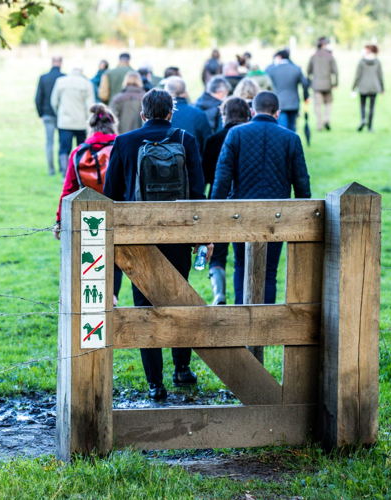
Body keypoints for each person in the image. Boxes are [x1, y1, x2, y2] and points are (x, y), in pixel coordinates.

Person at [103, 89, 209, 401]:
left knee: (145, 308)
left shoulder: (124, 142)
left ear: (143, 112)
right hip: (177, 234)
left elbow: (110, 193)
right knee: (180, 300)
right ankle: (182, 368)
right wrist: (200, 235)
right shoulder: (185, 140)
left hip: (139, 239)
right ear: (171, 112)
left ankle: (155, 383)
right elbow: (198, 190)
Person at [211, 91, 311, 305]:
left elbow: (222, 177)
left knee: (241, 265)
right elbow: (301, 180)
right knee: (269, 271)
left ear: (253, 111)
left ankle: (241, 320)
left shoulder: (236, 134)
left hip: (240, 211)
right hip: (276, 214)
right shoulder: (291, 138)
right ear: (277, 113)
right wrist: (303, 212)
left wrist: (215, 210)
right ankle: (265, 325)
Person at [54, 103, 122, 303]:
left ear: (91, 127)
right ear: (113, 125)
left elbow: (69, 189)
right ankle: (113, 295)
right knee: (118, 257)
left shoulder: (79, 152)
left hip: (89, 213)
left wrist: (59, 220)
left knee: (93, 255)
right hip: (120, 210)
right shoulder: (122, 146)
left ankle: (96, 297)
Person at [201, 97, 251, 305]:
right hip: (245, 198)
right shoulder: (250, 138)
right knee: (244, 256)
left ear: (224, 116)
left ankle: (219, 292)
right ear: (248, 115)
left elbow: (204, 176)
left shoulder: (214, 140)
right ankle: (244, 298)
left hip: (218, 198)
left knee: (218, 253)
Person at [50, 65, 94, 175]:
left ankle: (65, 173)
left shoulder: (60, 82)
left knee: (64, 149)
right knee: (81, 149)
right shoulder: (87, 84)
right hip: (81, 123)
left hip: (64, 122)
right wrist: (89, 121)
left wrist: (59, 114)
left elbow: (54, 102)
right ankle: (80, 172)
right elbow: (90, 105)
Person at [164, 76, 212, 155]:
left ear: (166, 92)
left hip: (164, 163)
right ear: (185, 93)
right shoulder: (199, 114)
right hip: (192, 162)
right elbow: (208, 144)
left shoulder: (159, 113)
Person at [34, 56, 65, 175]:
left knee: (49, 143)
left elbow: (38, 97)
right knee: (62, 143)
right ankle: (63, 168)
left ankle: (51, 169)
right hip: (61, 115)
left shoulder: (43, 78)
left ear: (52, 62)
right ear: (61, 63)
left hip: (47, 114)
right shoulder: (64, 78)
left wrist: (40, 113)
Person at [266, 49, 309, 132]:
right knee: (292, 127)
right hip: (294, 103)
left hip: (279, 103)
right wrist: (305, 96)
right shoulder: (296, 68)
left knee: (282, 129)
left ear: (279, 57)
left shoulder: (271, 69)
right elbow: (305, 84)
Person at [307, 36, 339, 131]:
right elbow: (336, 71)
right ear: (325, 45)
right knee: (328, 104)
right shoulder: (330, 56)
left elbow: (308, 71)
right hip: (328, 84)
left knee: (317, 105)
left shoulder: (313, 56)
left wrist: (310, 82)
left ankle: (319, 124)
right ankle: (326, 120)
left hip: (316, 85)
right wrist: (336, 83)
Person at [353, 44, 384, 132]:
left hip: (363, 86)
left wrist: (353, 87)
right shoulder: (377, 61)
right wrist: (382, 88)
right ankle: (370, 127)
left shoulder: (361, 61)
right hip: (374, 87)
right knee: (371, 107)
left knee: (362, 106)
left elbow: (357, 76)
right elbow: (380, 75)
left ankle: (363, 119)